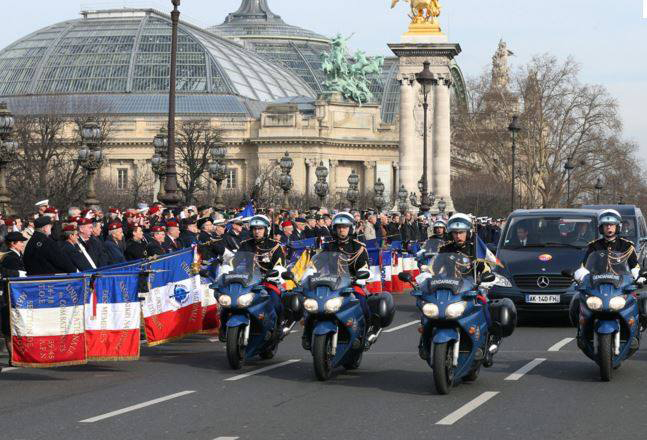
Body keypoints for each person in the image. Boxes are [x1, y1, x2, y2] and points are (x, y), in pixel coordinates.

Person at [302, 212, 372, 350]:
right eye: (339, 227)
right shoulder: (328, 246)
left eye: (344, 227)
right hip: (331, 284)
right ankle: (307, 334)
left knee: (363, 303)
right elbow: (316, 263)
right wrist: (308, 274)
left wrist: (361, 276)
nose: (341, 230)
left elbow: (364, 267)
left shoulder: (358, 247)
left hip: (352, 284)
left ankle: (365, 335)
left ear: (351, 228)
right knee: (312, 305)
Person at [571, 209, 644, 329]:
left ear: (618, 227)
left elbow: (634, 266)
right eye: (606, 225)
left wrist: (639, 277)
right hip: (597, 285)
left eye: (612, 225)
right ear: (601, 227)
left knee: (640, 303)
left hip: (621, 286)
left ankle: (637, 328)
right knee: (576, 301)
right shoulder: (594, 246)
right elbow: (585, 267)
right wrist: (578, 276)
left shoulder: (627, 246)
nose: (609, 227)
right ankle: (581, 331)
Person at [221, 215, 288, 341]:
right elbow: (235, 262)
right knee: (228, 302)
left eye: (260, 229)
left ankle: (279, 326)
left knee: (276, 301)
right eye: (254, 229)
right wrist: (227, 270)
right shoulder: (245, 244)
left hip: (267, 281)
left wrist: (276, 273)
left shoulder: (275, 246)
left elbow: (280, 265)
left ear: (266, 230)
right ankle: (224, 327)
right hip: (247, 281)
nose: (257, 231)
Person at [0, 232, 28, 361]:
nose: (22, 244)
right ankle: (13, 358)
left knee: (13, 327)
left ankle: (16, 357)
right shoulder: (10, 257)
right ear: (13, 244)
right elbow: (3, 273)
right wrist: (18, 273)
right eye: (20, 242)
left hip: (16, 296)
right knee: (9, 328)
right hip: (9, 297)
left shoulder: (17, 255)